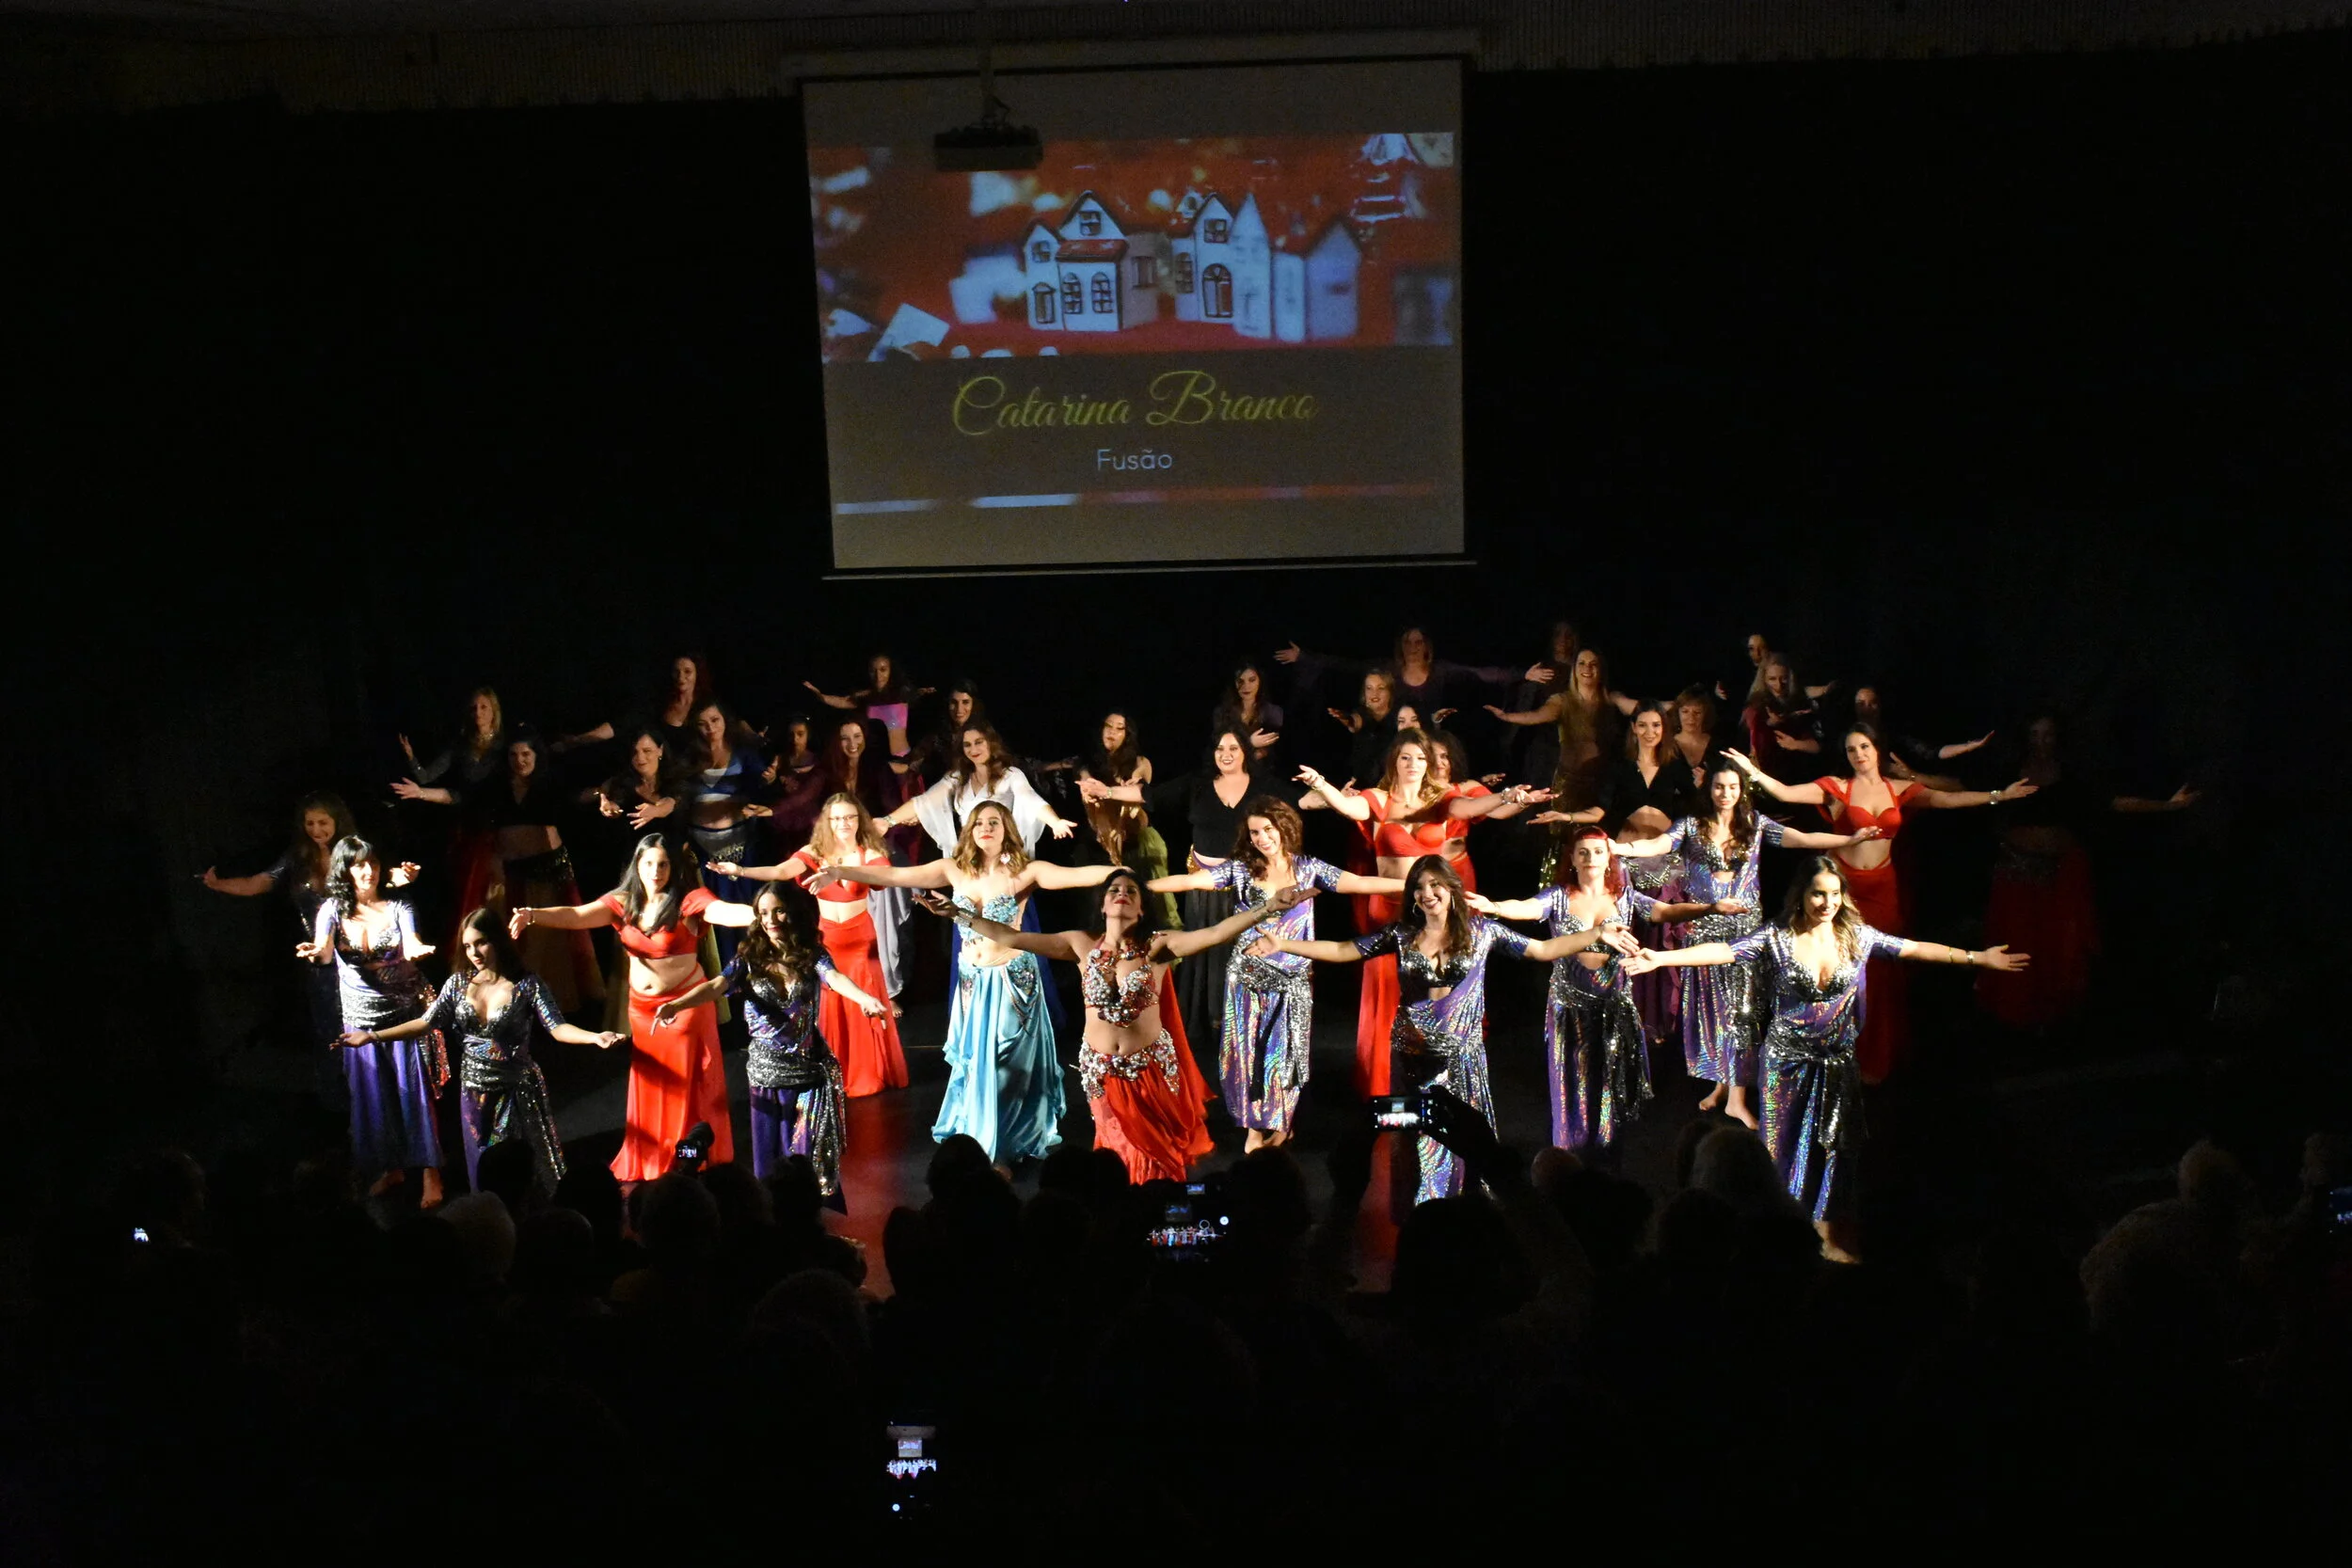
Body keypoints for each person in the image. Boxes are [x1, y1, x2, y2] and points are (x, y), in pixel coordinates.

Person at [1624, 855, 2029, 1259]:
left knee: (1834, 1146)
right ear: (1801, 896)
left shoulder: (1857, 936)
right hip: (1786, 1063)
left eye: (1835, 894)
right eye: (1819, 893)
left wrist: (1978, 958)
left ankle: (1829, 1232)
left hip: (1835, 1064)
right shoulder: (1776, 939)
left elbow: (1915, 949)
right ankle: (1781, 1230)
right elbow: (1722, 951)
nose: (1827, 902)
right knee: (1780, 1147)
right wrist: (1660, 958)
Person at [1246, 854, 1623, 1203]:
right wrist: (1284, 944)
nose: (1427, 894)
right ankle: (1421, 1210)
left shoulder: (1483, 932)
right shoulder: (1402, 935)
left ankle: (1465, 1207)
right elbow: (1346, 950)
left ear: (1451, 888)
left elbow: (1541, 951)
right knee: (1414, 1141)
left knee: (1465, 1140)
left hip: (1462, 1060)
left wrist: (1594, 935)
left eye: (1434, 885)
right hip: (1413, 1060)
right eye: (1419, 888)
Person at [809, 800, 1114, 1165]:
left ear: (1007, 830)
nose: (986, 828)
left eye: (994, 822)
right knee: (976, 1063)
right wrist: (839, 871)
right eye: (979, 823)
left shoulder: (1026, 871)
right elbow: (894, 877)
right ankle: (982, 1134)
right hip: (973, 983)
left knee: (1005, 1065)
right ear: (969, 830)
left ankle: (1009, 1140)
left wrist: (1122, 872)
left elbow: (1078, 876)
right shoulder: (953, 869)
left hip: (1011, 981)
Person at [1727, 726, 2037, 1080]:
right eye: (1850, 749)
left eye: (1864, 747)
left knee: (1884, 971)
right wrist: (1753, 773)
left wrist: (2000, 795)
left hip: (1883, 887)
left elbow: (1949, 800)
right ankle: (1841, 1053)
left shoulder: (1898, 789)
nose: (1858, 754)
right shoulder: (1837, 788)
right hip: (1845, 891)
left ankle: (1879, 1055)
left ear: (1877, 749)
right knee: (1847, 971)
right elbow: (1784, 792)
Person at [948, 869, 1289, 1182]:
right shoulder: (1079, 944)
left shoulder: (1158, 946)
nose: (1121, 893)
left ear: (1141, 909)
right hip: (1102, 1074)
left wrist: (1269, 907)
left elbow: (1216, 933)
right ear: (1102, 904)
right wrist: (959, 914)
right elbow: (1012, 938)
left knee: (1155, 1160)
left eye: (1131, 891)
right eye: (1114, 889)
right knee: (1116, 1154)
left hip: (1150, 1074)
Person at [1613, 764, 1877, 1126]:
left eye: (1732, 787)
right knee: (1714, 1013)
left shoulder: (1754, 824)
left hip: (1745, 933)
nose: (1725, 793)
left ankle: (1737, 1098)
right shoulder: (1692, 825)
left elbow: (1800, 838)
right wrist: (1617, 846)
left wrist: (1847, 840)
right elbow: (1659, 843)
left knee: (1743, 1012)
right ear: (1710, 790)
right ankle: (1722, 1086)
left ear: (1741, 790)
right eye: (1719, 786)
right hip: (1704, 928)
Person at [1295, 733, 1549, 1095]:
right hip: (1390, 907)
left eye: (1419, 758)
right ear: (1394, 763)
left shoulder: (1444, 798)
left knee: (1432, 987)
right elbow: (1350, 810)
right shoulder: (1378, 799)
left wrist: (1509, 797)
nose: (1413, 764)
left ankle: (1437, 1077)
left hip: (1431, 908)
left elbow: (1473, 808)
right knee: (1388, 990)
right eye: (1405, 758)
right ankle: (1382, 1080)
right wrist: (1321, 783)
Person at [1149, 797, 1402, 1149]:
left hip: (1292, 982)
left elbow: (1359, 884)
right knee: (1245, 1056)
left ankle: (1282, 1125)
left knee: (1284, 1058)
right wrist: (1140, 886)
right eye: (1255, 832)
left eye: (1269, 829)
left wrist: (1409, 884)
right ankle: (1253, 1129)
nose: (1263, 838)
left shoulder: (1308, 868)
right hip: (1247, 979)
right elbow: (1192, 882)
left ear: (1285, 828)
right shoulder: (1240, 869)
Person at [510, 832, 755, 1182]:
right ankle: (652, 1153)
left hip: (685, 1008)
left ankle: (685, 1159)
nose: (656, 871)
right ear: (636, 866)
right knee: (653, 1083)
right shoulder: (622, 903)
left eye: (663, 864)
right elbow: (578, 915)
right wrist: (534, 914)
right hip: (642, 1010)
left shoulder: (688, 900)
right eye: (649, 863)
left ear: (673, 867)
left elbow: (725, 912)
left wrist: (763, 915)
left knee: (684, 1087)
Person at [354, 906, 622, 1198]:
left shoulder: (526, 985)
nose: (474, 953)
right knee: (483, 1172)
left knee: (517, 1175)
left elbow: (557, 1028)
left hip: (516, 1093)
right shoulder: (458, 984)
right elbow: (426, 1022)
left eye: (481, 942)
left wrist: (594, 1037)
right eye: (467, 946)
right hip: (474, 1094)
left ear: (498, 940)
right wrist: (372, 1036)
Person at [1474, 827, 1711, 1156]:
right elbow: (1527, 907)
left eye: (1598, 852)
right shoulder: (1558, 896)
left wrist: (1708, 908)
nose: (1590, 858)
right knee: (1571, 1081)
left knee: (1608, 1083)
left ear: (1609, 858)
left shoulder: (1623, 895)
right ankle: (1568, 1153)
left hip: (1613, 1004)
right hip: (1569, 1005)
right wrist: (1494, 906)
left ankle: (1606, 1151)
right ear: (1571, 858)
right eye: (1583, 852)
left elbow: (1664, 912)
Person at [653, 882, 879, 1206]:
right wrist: (678, 1004)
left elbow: (834, 978)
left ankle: (806, 1216)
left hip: (808, 1072)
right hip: (766, 1075)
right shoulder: (750, 957)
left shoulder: (811, 953)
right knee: (772, 1163)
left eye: (778, 910)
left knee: (807, 1158)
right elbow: (717, 985)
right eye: (763, 913)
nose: (770, 919)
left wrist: (864, 998)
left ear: (793, 913)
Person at [1977, 712, 2199, 1029]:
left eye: (2048, 735)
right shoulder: (2008, 773)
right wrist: (1913, 778)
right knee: (2018, 943)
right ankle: (2015, 1018)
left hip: (2060, 874)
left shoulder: (2072, 775)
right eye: (2035, 735)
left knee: (2059, 948)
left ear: (2057, 738)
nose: (2041, 742)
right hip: (2018, 873)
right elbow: (1963, 791)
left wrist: (2168, 806)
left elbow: (2115, 803)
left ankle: (2054, 1019)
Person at [1094, 725, 1273, 1069]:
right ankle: (1204, 1024)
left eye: (1234, 748)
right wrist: (1107, 791)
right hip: (1202, 886)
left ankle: (1237, 1023)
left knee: (1234, 950)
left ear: (1245, 753)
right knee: (1203, 949)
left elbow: (1296, 802)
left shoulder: (1262, 787)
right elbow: (1151, 795)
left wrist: (1328, 793)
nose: (1227, 754)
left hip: (1243, 888)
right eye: (1221, 748)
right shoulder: (1198, 784)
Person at [711, 791, 909, 1096]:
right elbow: (779, 872)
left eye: (850, 817)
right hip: (828, 939)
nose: (844, 823)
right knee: (830, 1003)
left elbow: (885, 874)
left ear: (859, 821)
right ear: (827, 822)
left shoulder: (867, 852)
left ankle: (867, 1074)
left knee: (861, 1004)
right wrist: (741, 871)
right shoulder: (814, 853)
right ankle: (834, 1070)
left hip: (860, 942)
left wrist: (840, 872)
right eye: (837, 818)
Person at [397, 728, 604, 1012]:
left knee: (547, 942)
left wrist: (605, 792)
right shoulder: (496, 785)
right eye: (514, 755)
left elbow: (578, 797)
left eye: (526, 754)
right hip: (508, 873)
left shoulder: (550, 783)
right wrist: (421, 793)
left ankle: (550, 1007)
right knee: (509, 940)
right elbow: (459, 797)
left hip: (547, 872)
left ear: (536, 756)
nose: (520, 760)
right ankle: (511, 1003)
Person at [298, 836, 446, 1205]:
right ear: (345, 871)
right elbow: (324, 956)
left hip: (402, 1013)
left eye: (373, 864)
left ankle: (431, 1175)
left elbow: (410, 943)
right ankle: (389, 1168)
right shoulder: (331, 910)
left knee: (414, 1095)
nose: (368, 871)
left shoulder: (398, 905)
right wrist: (315, 952)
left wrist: (418, 949)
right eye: (359, 865)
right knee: (373, 1097)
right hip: (359, 1017)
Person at [201, 791, 363, 1052]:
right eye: (309, 823)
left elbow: (381, 887)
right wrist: (218, 884)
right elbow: (259, 883)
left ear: (337, 821)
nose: (315, 829)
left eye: (322, 822)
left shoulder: (356, 853)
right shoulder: (298, 857)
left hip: (357, 957)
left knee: (362, 1031)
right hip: (320, 962)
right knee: (331, 1035)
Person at [1596, 702, 1700, 1046]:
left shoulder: (1674, 765)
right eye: (1644, 725)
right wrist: (1568, 818)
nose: (1650, 732)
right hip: (1626, 862)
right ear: (1634, 728)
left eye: (1656, 725)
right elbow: (1602, 809)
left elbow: (1694, 810)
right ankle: (1624, 1011)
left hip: (1665, 866)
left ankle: (1656, 1016)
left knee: (1659, 939)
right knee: (1627, 935)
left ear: (1663, 728)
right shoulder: (1620, 766)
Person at [1486, 645, 1639, 830]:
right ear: (1574, 669)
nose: (1587, 669)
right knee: (1560, 832)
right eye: (1582, 663)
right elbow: (1537, 716)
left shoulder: (1610, 699)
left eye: (1593, 664)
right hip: (1569, 783)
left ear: (1601, 669)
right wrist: (1506, 716)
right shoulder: (1562, 701)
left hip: (1600, 783)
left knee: (1593, 833)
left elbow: (1637, 707)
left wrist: (1677, 708)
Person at [684, 697, 771, 967]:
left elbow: (762, 792)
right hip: (704, 854)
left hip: (742, 851)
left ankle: (756, 971)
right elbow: (677, 798)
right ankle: (724, 983)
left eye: (715, 720)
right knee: (716, 918)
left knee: (749, 914)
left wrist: (768, 781)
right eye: (702, 723)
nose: (710, 728)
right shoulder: (688, 758)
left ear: (725, 721)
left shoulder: (743, 754)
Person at [803, 651, 931, 758]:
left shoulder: (902, 693)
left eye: (883, 670)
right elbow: (842, 701)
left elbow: (918, 693)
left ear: (891, 671)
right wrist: (821, 696)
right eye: (873, 671)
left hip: (900, 757)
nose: (878, 675)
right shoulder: (866, 698)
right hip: (874, 759)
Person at [1740, 655, 1826, 784]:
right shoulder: (1755, 707)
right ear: (1763, 680)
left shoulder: (1801, 703)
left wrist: (1795, 744)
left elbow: (1819, 746)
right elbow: (1748, 747)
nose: (1778, 685)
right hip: (1766, 778)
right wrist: (1768, 725)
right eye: (1772, 679)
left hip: (1799, 776)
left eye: (1783, 678)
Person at [1212, 659, 1284, 766]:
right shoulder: (1222, 712)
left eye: (1252, 680)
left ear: (1260, 681)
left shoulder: (1273, 712)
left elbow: (1274, 748)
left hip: (1263, 772)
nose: (1246, 686)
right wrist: (1249, 743)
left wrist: (1255, 754)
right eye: (1240, 681)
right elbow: (1218, 747)